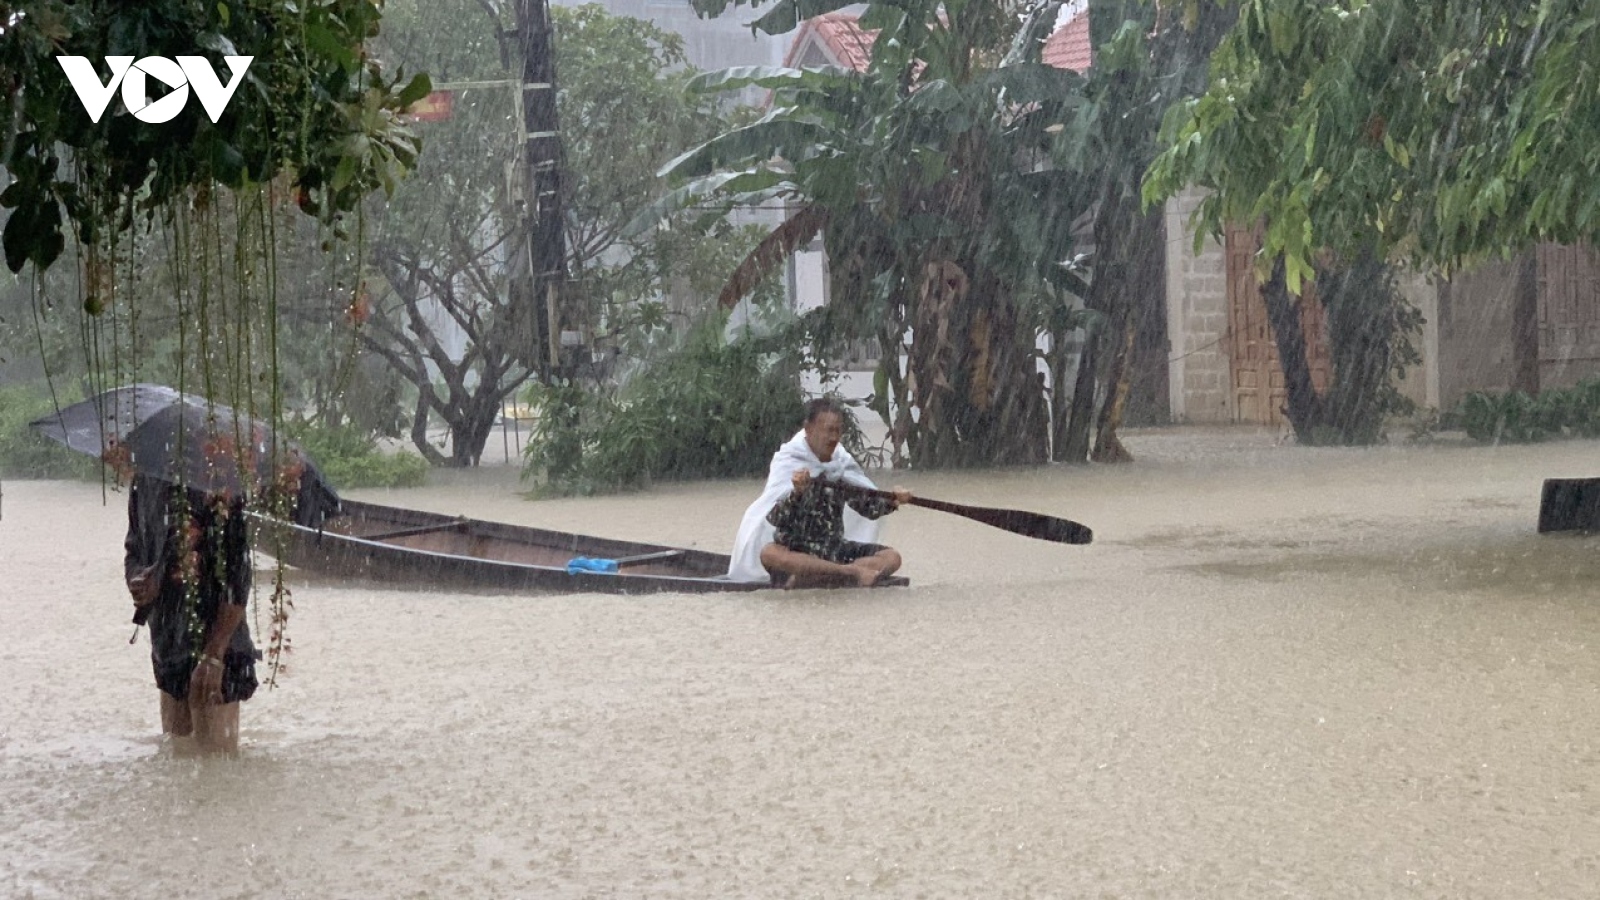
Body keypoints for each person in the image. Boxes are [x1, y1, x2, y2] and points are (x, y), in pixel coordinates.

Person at [124, 474, 259, 754]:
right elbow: (135, 549)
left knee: (217, 766)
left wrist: (214, 654)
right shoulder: (144, 481)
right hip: (168, 641)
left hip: (219, 641)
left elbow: (238, 576)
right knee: (178, 759)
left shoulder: (218, 478)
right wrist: (139, 581)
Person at [728, 398, 912, 588]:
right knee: (769, 553)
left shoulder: (839, 465)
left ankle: (824, 574)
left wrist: (893, 499)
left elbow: (868, 508)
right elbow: (776, 519)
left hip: (833, 548)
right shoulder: (790, 461)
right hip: (798, 551)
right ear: (809, 429)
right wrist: (796, 493)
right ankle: (850, 572)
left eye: (837, 430)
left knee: (892, 557)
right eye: (828, 430)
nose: (833, 437)